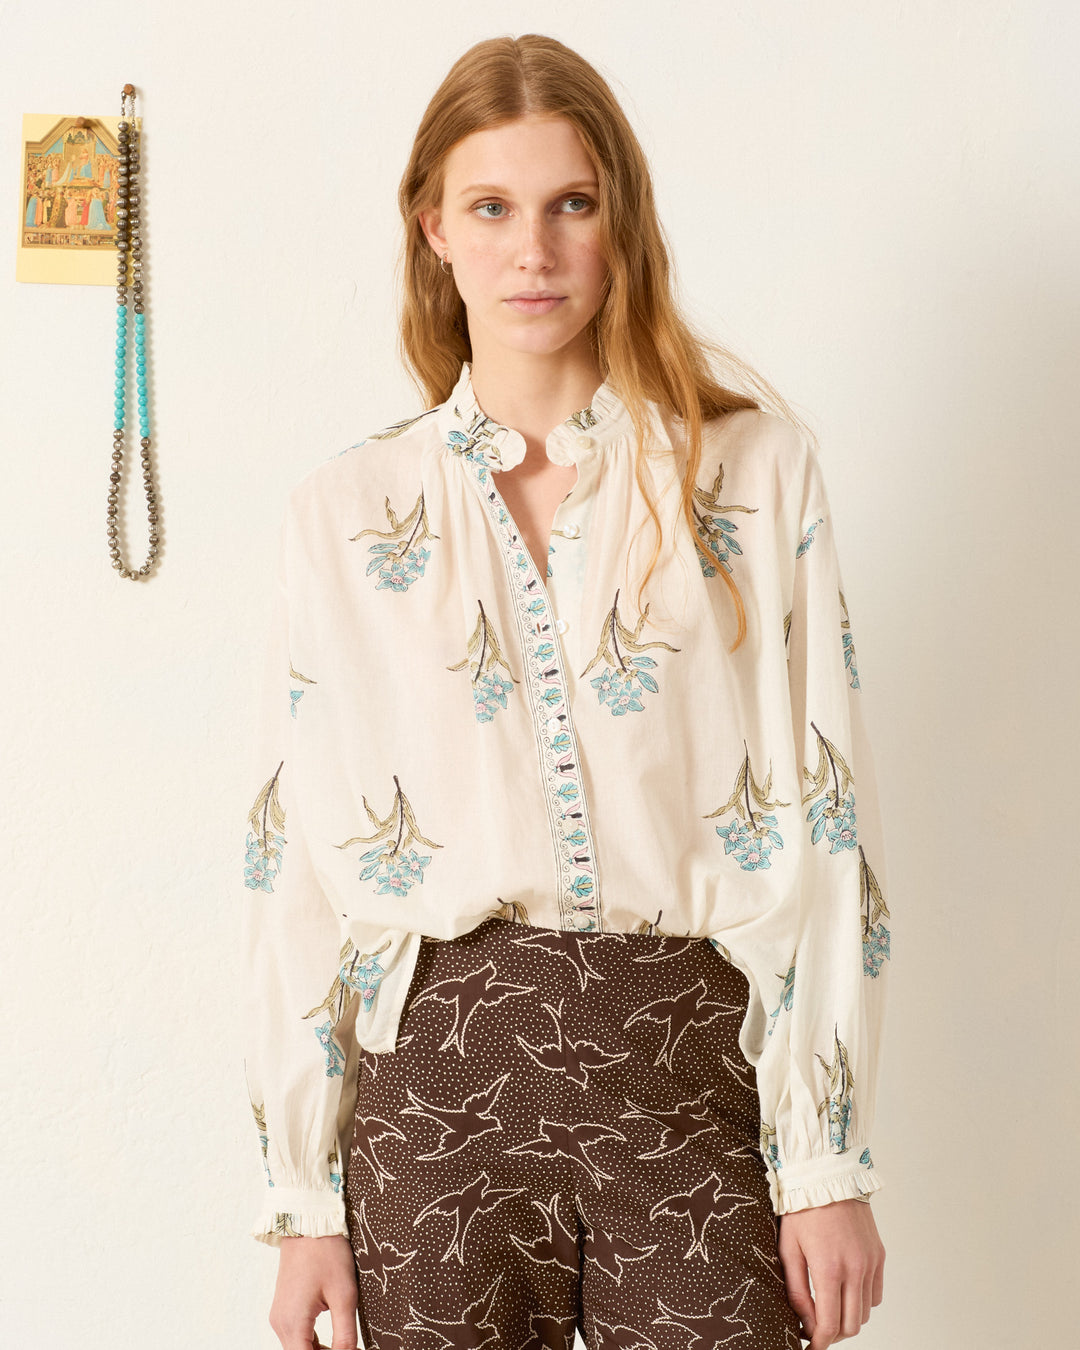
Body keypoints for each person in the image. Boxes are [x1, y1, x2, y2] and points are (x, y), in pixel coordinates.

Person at [242, 32, 890, 1350]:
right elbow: (295, 864)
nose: (532, 251)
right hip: (439, 1101)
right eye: (491, 206)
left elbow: (833, 823)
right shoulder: (344, 513)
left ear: (620, 224)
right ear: (433, 226)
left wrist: (827, 1161)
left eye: (570, 205)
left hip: (688, 1077)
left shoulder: (755, 478)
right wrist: (303, 1193)